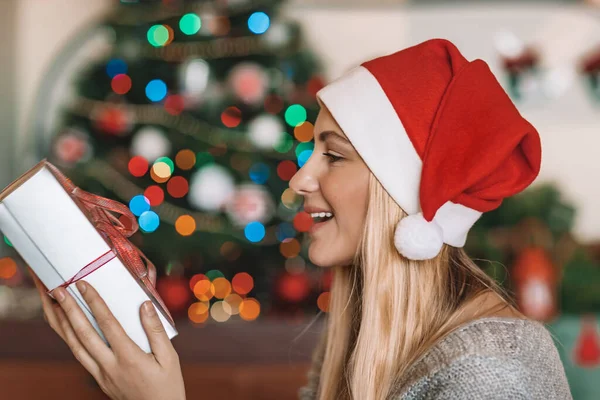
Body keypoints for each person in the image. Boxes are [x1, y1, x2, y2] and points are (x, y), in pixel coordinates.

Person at [30, 38, 572, 400]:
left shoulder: (495, 371)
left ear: (404, 197)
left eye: (333, 156)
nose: (297, 181)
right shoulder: (358, 342)